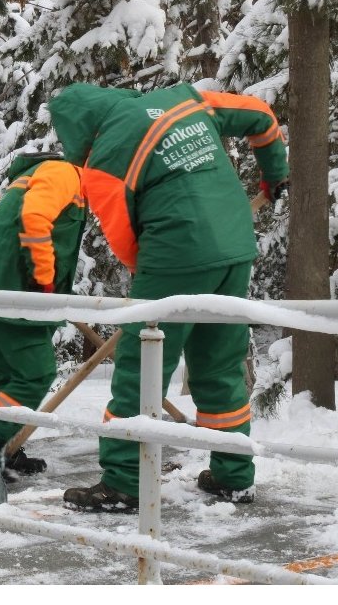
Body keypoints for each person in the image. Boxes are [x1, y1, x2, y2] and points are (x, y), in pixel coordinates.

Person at [47, 82, 290, 511]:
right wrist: (274, 176)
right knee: (218, 366)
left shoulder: (103, 161)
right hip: (236, 247)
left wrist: (157, 283)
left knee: (140, 370)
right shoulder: (185, 100)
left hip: (174, 252)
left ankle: (124, 482)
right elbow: (261, 116)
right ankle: (234, 476)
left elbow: (124, 240)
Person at [0, 151, 88, 480]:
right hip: (11, 285)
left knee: (5, 374)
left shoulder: (27, 178)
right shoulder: (65, 172)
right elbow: (36, 217)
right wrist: (44, 278)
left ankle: (3, 448)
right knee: (34, 372)